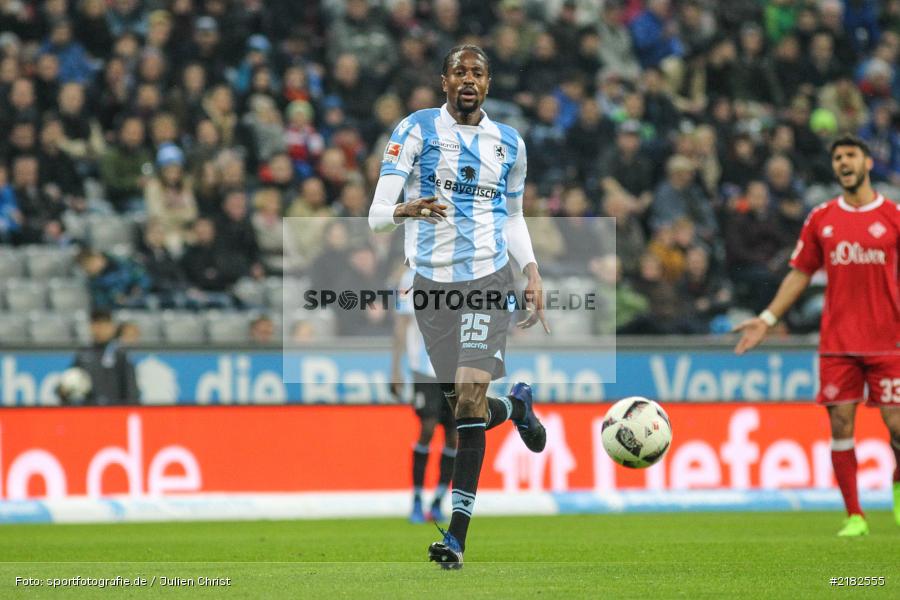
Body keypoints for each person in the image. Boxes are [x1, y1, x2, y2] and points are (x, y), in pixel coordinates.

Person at [368, 45, 548, 568]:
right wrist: (408, 208)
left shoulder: (509, 143)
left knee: (468, 399)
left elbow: (513, 217)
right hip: (430, 288)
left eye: (477, 73)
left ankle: (456, 538)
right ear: (443, 81)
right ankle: (515, 407)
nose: (467, 80)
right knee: (466, 409)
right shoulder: (415, 131)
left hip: (490, 279)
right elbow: (378, 217)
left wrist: (532, 269)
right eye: (458, 72)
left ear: (488, 84)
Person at [734, 135, 900, 537]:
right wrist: (768, 318)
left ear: (867, 163)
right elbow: (800, 272)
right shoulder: (821, 218)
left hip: (888, 341)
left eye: (851, 156)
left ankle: (895, 483)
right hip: (838, 344)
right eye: (838, 157)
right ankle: (855, 515)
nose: (843, 162)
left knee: (897, 427)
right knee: (841, 423)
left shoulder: (894, 216)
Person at [391, 268, 457, 524]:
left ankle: (439, 500)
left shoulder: (464, 270)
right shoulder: (410, 277)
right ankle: (417, 499)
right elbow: (401, 323)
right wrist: (395, 367)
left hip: (456, 366)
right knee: (427, 428)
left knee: (454, 434)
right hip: (423, 366)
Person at [61, 309, 140, 406]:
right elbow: (68, 380)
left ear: (112, 327)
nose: (100, 329)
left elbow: (131, 390)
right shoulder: (83, 354)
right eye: (96, 324)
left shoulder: (121, 354)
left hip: (114, 412)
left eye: (104, 324)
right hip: (89, 412)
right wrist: (63, 391)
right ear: (91, 327)